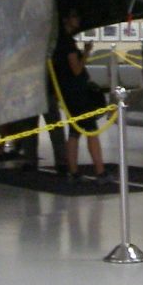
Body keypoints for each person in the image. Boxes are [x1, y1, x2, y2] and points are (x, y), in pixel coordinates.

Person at [52, 10, 106, 180]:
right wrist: (86, 53)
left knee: (74, 133)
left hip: (68, 92)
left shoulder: (57, 42)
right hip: (78, 93)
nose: (78, 20)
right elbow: (76, 69)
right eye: (75, 16)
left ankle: (73, 171)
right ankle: (100, 171)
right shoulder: (67, 43)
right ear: (66, 19)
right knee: (91, 130)